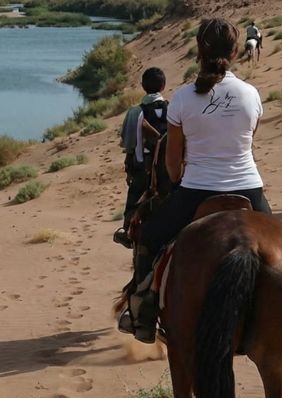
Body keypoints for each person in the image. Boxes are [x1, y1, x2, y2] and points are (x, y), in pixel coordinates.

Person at [119, 18, 272, 344]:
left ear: (199, 51)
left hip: (196, 191)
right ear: (235, 51)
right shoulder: (251, 94)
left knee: (149, 236)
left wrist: (178, 180)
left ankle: (142, 311)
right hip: (248, 188)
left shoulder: (183, 98)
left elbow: (173, 163)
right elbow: (248, 142)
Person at [114, 68, 167, 248]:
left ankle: (127, 231)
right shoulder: (174, 108)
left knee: (134, 198)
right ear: (163, 86)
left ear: (143, 86)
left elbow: (129, 144)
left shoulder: (135, 112)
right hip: (169, 169)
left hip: (143, 169)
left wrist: (128, 169)